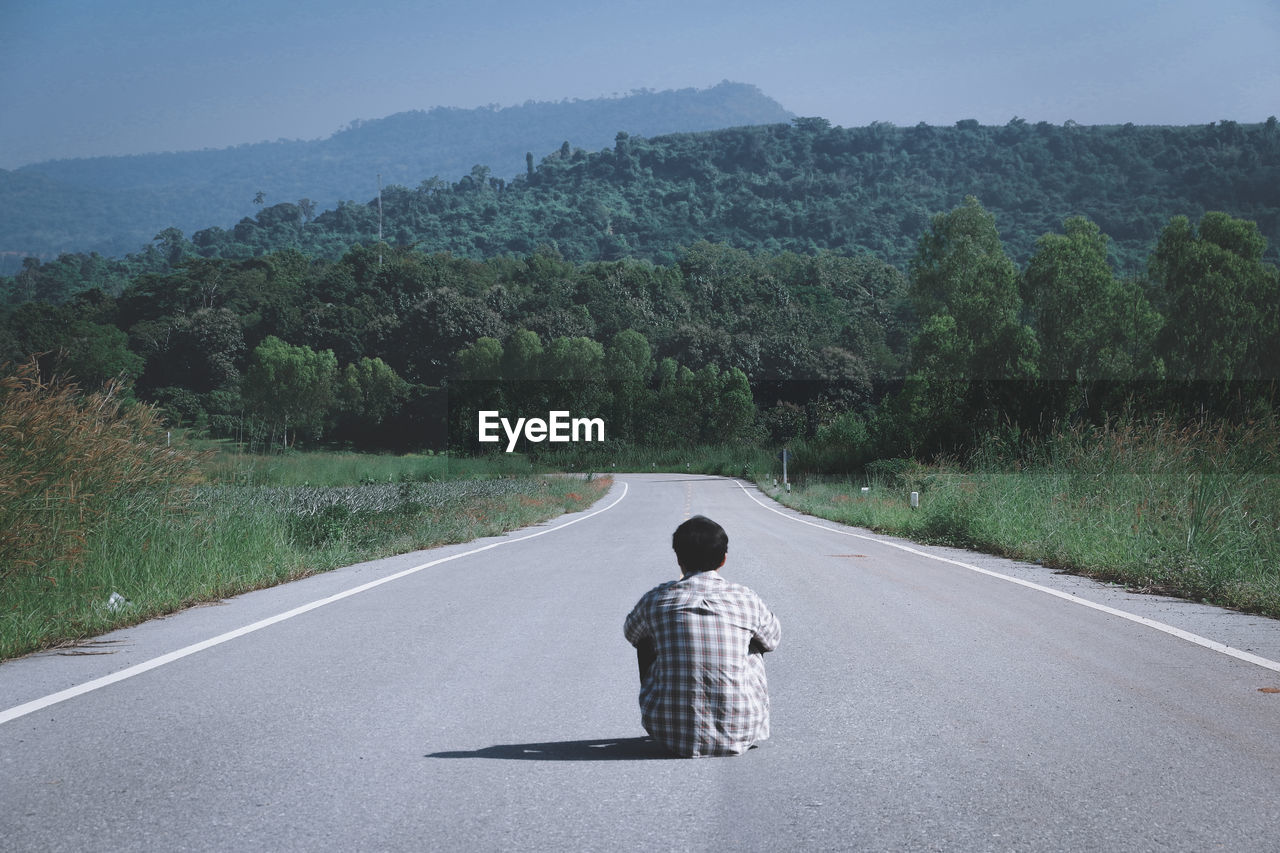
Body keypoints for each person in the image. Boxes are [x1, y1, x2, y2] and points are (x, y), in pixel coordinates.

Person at [623, 515, 781, 757]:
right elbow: (772, 640)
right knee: (754, 643)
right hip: (742, 731)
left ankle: (668, 708)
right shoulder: (745, 598)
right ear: (724, 559)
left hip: (668, 733)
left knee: (645, 639)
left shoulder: (655, 599)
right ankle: (739, 714)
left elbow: (631, 633)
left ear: (678, 559)